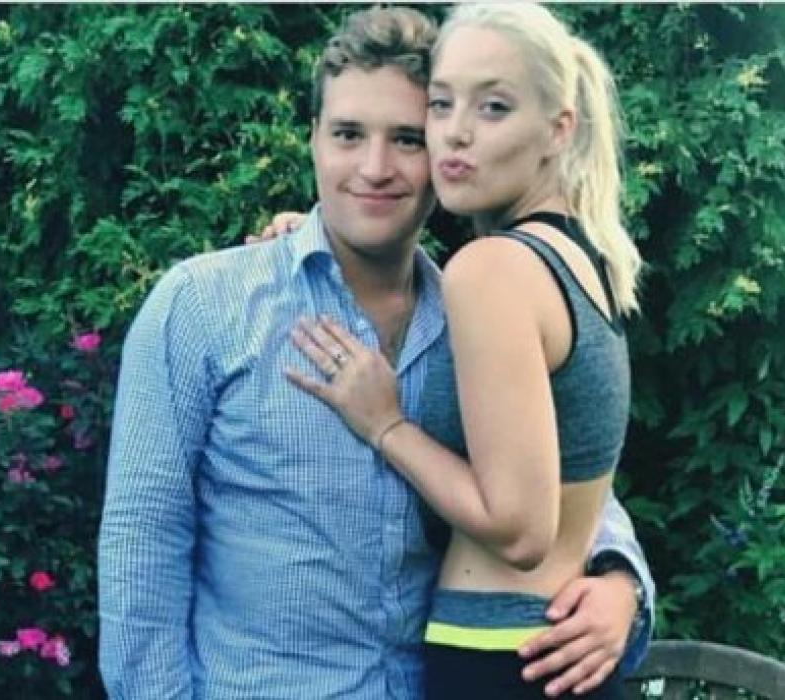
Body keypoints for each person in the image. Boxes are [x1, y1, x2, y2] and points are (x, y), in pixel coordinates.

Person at [97, 7, 652, 699]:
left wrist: (621, 581)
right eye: (348, 134)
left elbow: (559, 471)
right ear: (313, 139)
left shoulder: (473, 311)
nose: (375, 168)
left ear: (442, 150)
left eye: (407, 139)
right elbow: (141, 546)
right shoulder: (205, 307)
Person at [282, 4, 643, 699]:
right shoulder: (578, 262)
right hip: (550, 657)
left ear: (558, 128)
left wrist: (387, 425)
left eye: (494, 107)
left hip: (502, 661)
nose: (457, 132)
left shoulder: (492, 270)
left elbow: (521, 530)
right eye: (442, 105)